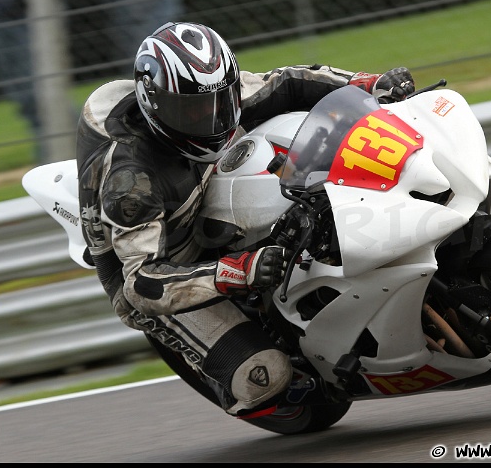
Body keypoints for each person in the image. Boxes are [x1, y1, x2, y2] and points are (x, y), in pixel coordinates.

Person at [76, 21, 415, 418]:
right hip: (162, 262)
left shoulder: (218, 94)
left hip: (199, 194)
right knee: (267, 377)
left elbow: (288, 81)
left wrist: (369, 85)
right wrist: (238, 271)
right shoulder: (130, 182)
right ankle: (233, 381)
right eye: (193, 111)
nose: (212, 118)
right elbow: (142, 285)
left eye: (220, 101)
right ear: (155, 104)